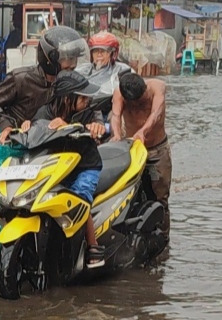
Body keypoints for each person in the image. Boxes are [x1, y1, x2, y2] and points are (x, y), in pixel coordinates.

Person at [0, 26, 85, 263]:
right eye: (67, 59)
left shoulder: (65, 84)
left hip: (41, 145)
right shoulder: (21, 78)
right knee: (3, 207)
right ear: (50, 59)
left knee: (42, 199)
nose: (71, 64)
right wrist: (8, 126)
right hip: (11, 145)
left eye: (73, 59)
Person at [19, 71, 108, 268]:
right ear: (68, 98)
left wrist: (95, 128)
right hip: (56, 167)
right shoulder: (44, 113)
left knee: (80, 196)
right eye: (82, 97)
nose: (86, 100)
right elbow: (33, 132)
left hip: (85, 166)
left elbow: (99, 125)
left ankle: (93, 246)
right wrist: (26, 126)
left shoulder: (89, 112)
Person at [111, 72, 171, 237]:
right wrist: (116, 134)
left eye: (140, 100)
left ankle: (163, 238)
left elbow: (156, 114)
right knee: (129, 197)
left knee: (161, 198)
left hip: (157, 149)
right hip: (132, 151)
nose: (137, 104)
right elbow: (116, 115)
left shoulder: (157, 87)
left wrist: (143, 131)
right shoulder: (119, 94)